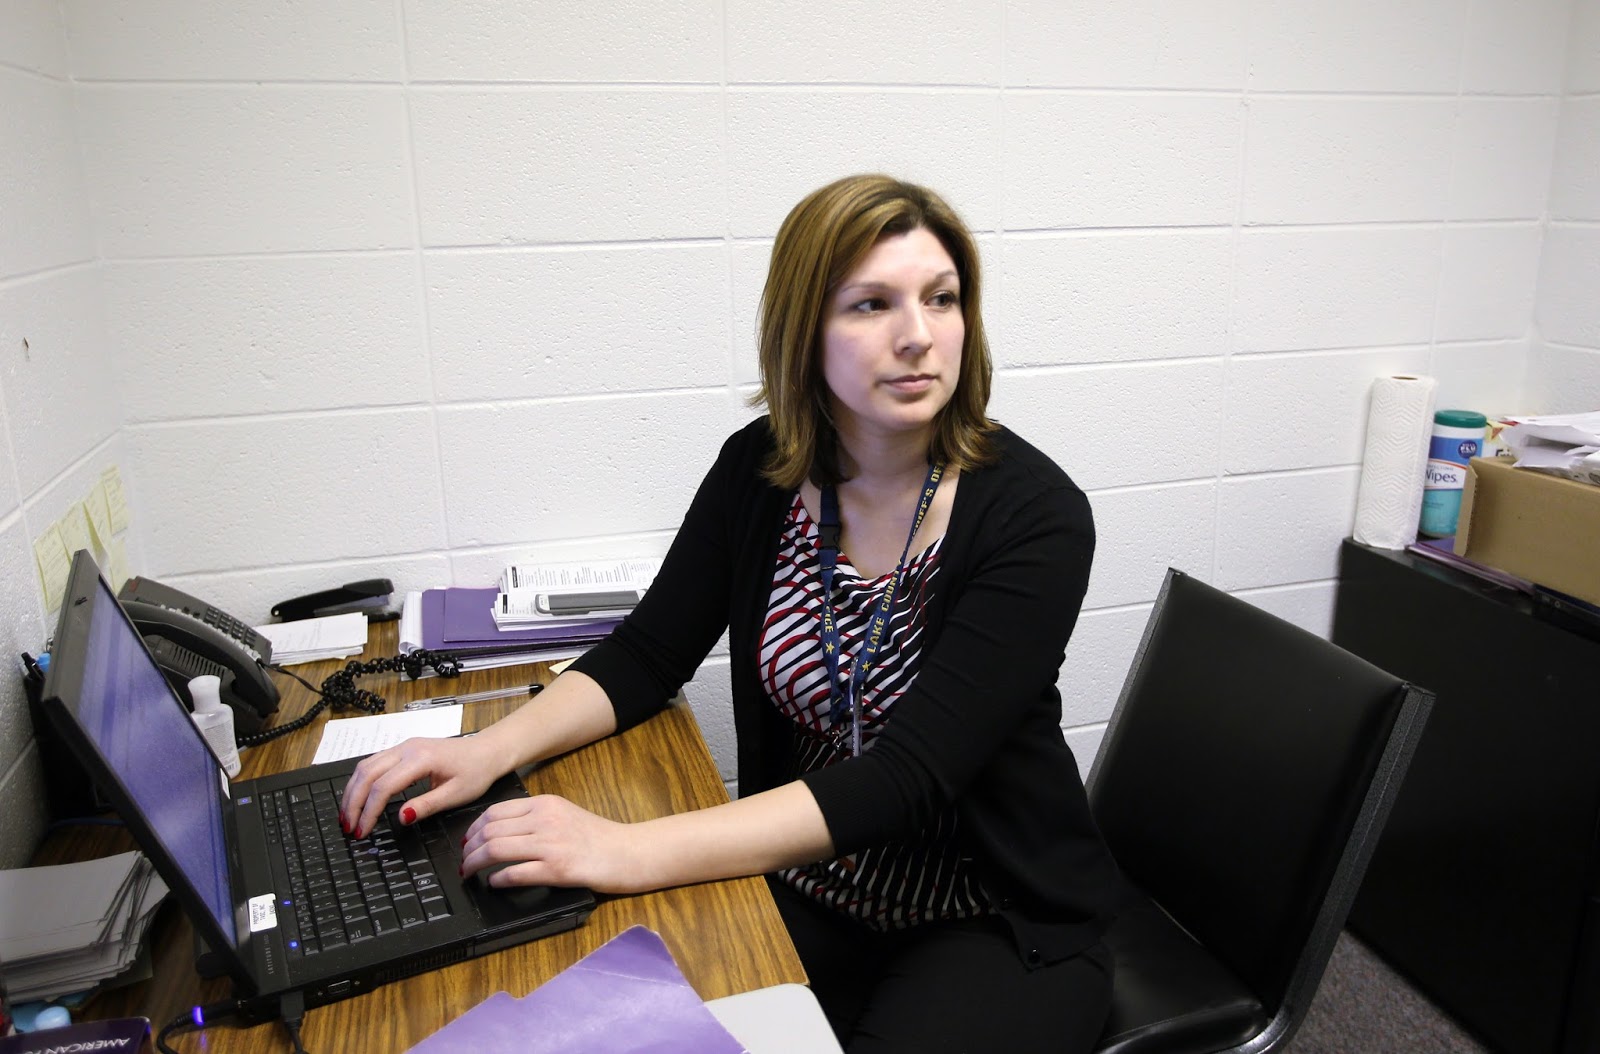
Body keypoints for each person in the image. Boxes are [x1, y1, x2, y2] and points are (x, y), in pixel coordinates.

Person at [340, 173, 1126, 1053]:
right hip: (809, 885)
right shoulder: (762, 471)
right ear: (804, 328)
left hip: (990, 916)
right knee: (578, 1003)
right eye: (872, 304)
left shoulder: (1036, 518)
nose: (918, 335)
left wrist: (620, 847)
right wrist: (486, 753)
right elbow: (648, 653)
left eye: (941, 299)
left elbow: (905, 779)